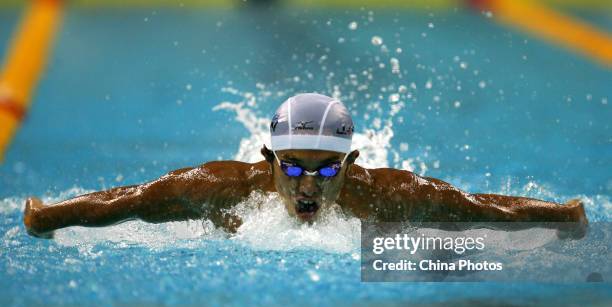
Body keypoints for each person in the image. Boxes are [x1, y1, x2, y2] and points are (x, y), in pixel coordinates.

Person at [24, 93, 587, 239]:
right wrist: (47, 218)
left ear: (353, 164)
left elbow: (481, 211)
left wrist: (564, 216)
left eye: (326, 170)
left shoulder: (388, 196)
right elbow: (132, 201)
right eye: (292, 168)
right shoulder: (219, 188)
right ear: (267, 159)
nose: (308, 186)